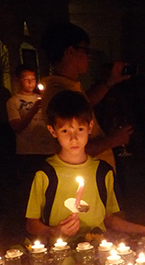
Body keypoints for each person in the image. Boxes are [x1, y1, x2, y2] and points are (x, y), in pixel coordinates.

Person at [25, 90, 145, 240]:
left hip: (97, 247)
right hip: (60, 251)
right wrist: (53, 231)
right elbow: (31, 223)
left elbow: (109, 219)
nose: (73, 138)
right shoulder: (45, 174)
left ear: (90, 127)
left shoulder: (102, 171)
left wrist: (142, 230)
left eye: (80, 129)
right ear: (53, 131)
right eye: (65, 131)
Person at [39, 22, 134, 171]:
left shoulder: (67, 86)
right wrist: (113, 140)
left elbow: (85, 102)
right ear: (70, 51)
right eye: (85, 50)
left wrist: (110, 81)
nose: (89, 56)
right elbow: (72, 148)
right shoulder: (59, 92)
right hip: (88, 177)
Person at [7, 64, 53, 184]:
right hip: (28, 150)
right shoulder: (13, 101)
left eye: (33, 79)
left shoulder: (43, 98)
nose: (30, 82)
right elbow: (17, 127)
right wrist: (33, 110)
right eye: (26, 79)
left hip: (47, 147)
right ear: (18, 80)